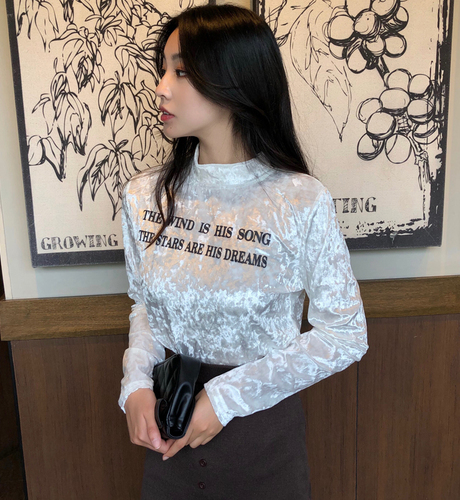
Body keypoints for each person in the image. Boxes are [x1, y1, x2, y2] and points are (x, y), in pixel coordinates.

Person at [118, 4, 368, 499]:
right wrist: (136, 385)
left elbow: (345, 334)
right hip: (169, 424)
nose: (161, 87)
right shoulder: (145, 196)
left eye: (181, 71)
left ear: (235, 80)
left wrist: (225, 397)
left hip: (263, 438)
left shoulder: (300, 201)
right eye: (163, 70)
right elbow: (145, 304)